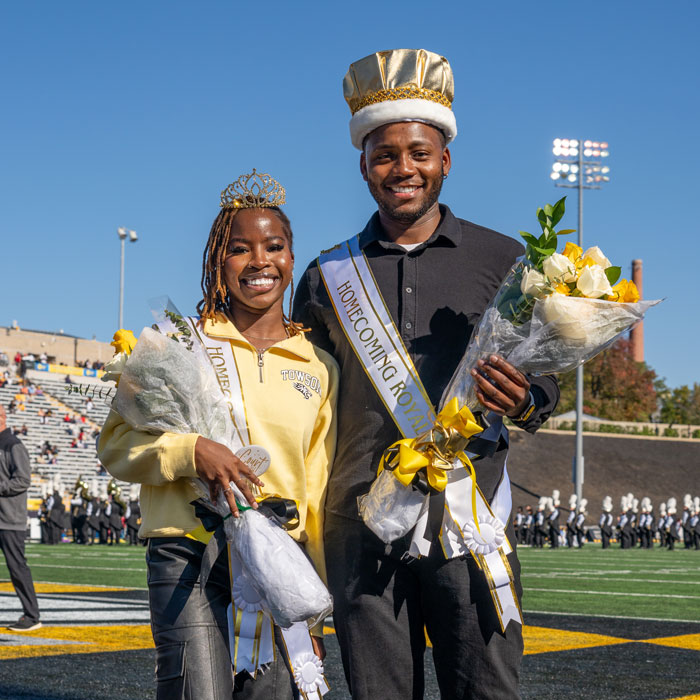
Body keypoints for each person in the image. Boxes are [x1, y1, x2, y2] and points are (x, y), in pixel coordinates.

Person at [293, 48, 559, 699]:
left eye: (418, 152)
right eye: (384, 154)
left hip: (470, 526)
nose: (402, 168)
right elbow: (303, 403)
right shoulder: (328, 277)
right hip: (361, 529)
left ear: (445, 159)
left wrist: (524, 399)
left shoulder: (506, 259)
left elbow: (546, 384)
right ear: (362, 164)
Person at [98, 170, 338, 699]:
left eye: (274, 246)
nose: (259, 262)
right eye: (239, 249)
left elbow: (316, 492)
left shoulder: (319, 364)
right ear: (216, 261)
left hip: (278, 557)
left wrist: (311, 614)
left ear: (291, 259)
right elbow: (114, 446)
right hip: (189, 548)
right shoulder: (172, 344)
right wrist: (190, 451)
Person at [0, 405, 41, 631]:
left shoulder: (13, 445)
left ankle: (32, 616)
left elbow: (23, 480)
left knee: (17, 569)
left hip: (10, 520)